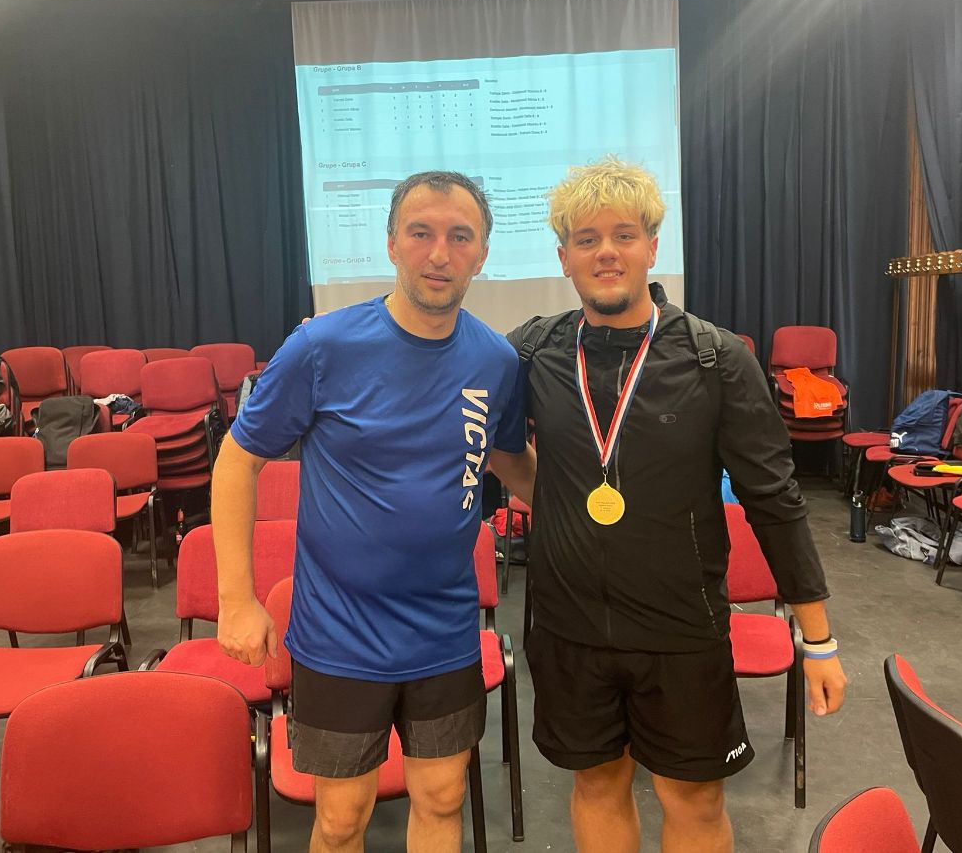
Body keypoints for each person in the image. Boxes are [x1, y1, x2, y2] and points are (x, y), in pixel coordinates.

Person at [507, 157, 847, 853]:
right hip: (569, 627)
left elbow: (775, 500)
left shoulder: (713, 358)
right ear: (564, 256)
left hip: (682, 630)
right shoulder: (535, 351)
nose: (607, 251)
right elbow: (467, 415)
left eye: (624, 235)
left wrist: (817, 639)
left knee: (691, 798)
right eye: (587, 238)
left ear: (652, 247)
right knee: (597, 786)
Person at [213, 171, 536, 853]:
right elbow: (238, 460)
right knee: (340, 820)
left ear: (482, 254)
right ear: (391, 243)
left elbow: (512, 464)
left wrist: (606, 515)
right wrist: (236, 599)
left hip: (445, 630)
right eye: (421, 233)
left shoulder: (496, 359)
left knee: (443, 800)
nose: (439, 254)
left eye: (460, 237)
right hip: (340, 634)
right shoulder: (322, 347)